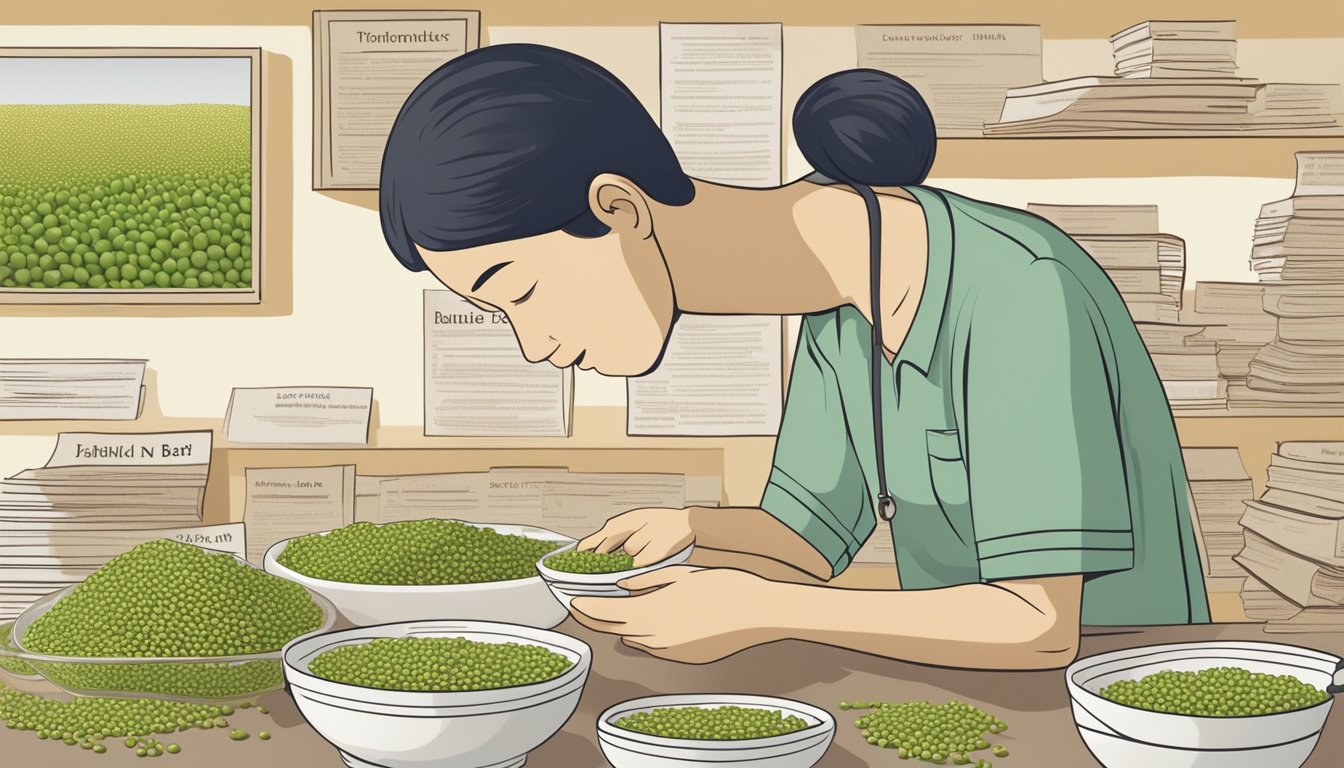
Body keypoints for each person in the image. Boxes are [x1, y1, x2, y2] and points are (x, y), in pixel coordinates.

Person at [378, 44, 1210, 671]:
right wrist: (690, 532)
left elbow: (1038, 626)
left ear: (618, 206)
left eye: (518, 292)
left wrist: (767, 609)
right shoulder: (837, 301)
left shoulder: (1020, 290)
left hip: (1123, 698)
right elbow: (810, 538)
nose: (534, 348)